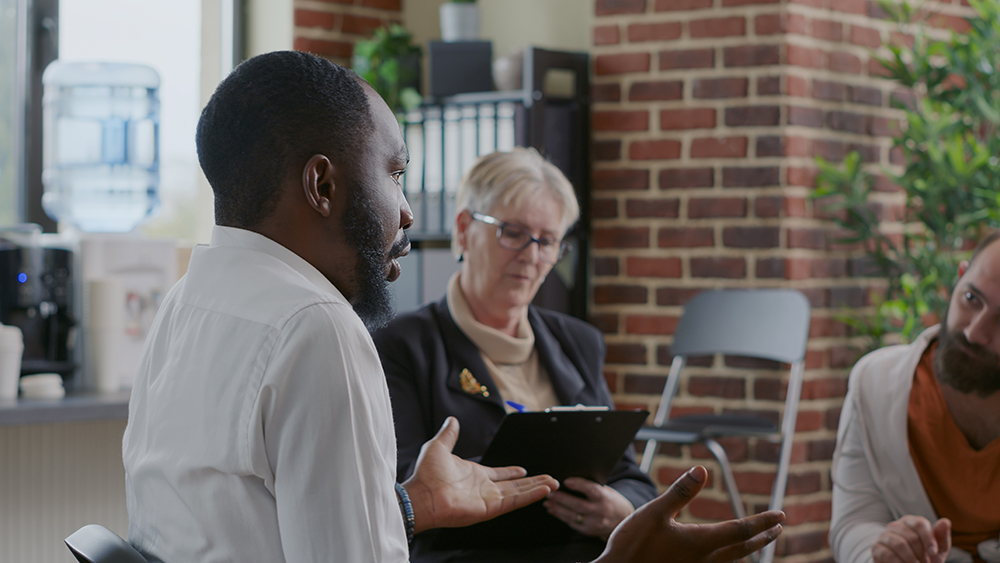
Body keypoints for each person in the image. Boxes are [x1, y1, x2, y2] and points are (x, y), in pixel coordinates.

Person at [122, 50, 784, 563]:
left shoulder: (187, 301)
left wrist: (413, 504)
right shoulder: (316, 328)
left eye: (548, 240)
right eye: (395, 171)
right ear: (324, 183)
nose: (408, 210)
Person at [373, 149, 656, 562]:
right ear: (464, 229)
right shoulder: (402, 347)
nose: (531, 254)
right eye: (513, 231)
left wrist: (619, 510)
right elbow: (400, 492)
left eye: (548, 241)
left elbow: (632, 479)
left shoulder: (578, 343)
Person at [829, 231, 1000, 563]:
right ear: (960, 276)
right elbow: (853, 523)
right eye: (971, 299)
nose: (975, 332)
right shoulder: (875, 384)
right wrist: (882, 552)